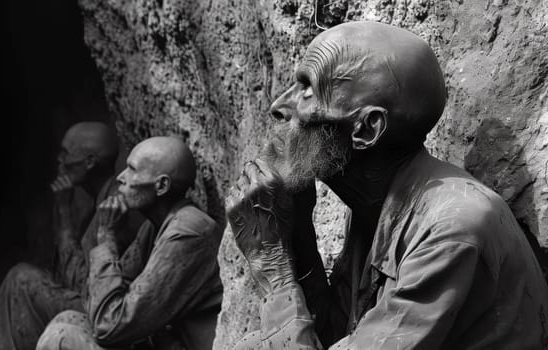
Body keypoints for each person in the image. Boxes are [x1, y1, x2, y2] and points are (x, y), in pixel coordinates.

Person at [226, 21, 548, 349]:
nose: (278, 106)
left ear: (366, 129)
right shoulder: (375, 206)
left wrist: (272, 264)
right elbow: (335, 337)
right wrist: (297, 230)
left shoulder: (451, 227)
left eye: (308, 89)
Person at [36, 136, 223, 350]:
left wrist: (106, 238)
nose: (121, 177)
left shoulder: (188, 233)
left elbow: (108, 326)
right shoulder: (154, 227)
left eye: (132, 170)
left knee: (63, 337)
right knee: (68, 319)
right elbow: (102, 301)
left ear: (161, 185)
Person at [0, 121, 143, 350]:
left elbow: (77, 282)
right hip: (94, 304)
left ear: (90, 162)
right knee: (23, 278)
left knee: (21, 279)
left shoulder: (113, 206)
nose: (59, 160)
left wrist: (64, 212)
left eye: (65, 153)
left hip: (101, 313)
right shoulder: (99, 201)